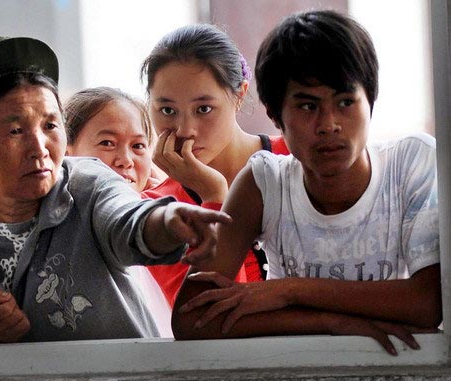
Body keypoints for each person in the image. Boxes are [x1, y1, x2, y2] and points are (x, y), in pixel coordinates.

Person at [173, 10, 442, 356]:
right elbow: (191, 318)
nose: (329, 124)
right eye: (307, 106)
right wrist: (329, 324)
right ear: (274, 115)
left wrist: (289, 291)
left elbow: (428, 301)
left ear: (370, 101)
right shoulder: (265, 182)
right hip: (294, 380)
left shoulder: (411, 163)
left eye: (345, 102)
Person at [0, 37, 229, 344]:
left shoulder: (89, 185)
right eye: (16, 131)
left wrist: (167, 221)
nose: (39, 148)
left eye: (50, 126)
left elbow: (129, 220)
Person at [141, 23, 289, 305]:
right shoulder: (155, 210)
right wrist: (213, 196)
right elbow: (212, 318)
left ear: (240, 95)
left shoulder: (297, 159)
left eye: (203, 109)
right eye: (167, 110)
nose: (185, 130)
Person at [64, 86, 172, 336]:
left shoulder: (158, 219)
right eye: (107, 143)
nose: (126, 160)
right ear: (66, 153)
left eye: (138, 146)